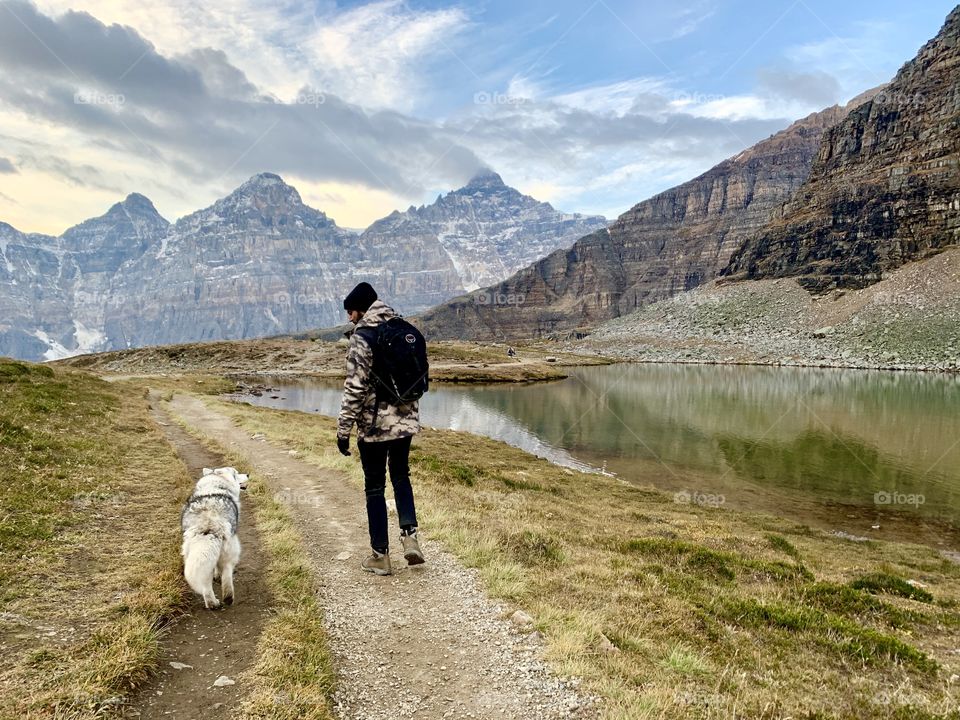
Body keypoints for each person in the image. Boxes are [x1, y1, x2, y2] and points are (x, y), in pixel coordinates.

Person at [336, 282, 424, 576]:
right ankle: (410, 537)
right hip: (405, 423)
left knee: (375, 486)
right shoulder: (401, 328)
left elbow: (354, 389)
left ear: (361, 309)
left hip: (374, 428)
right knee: (401, 475)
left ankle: (380, 556)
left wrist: (343, 431)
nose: (349, 317)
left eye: (351, 311)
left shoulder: (363, 337)